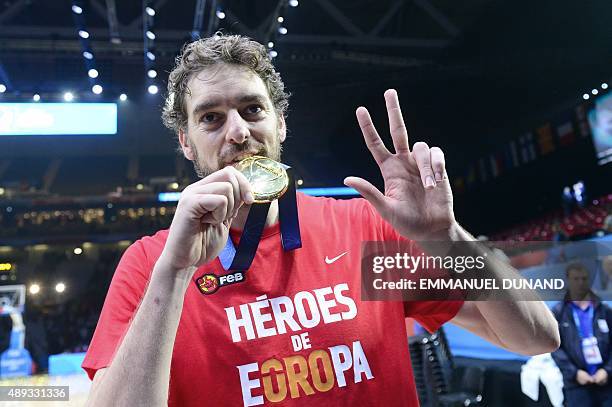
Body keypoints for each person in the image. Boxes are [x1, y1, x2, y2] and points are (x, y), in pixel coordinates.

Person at [83, 34, 559, 406]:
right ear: (186, 142)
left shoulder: (365, 231)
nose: (239, 132)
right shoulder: (151, 264)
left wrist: (448, 238)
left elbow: (536, 337)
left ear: (281, 124)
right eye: (210, 118)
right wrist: (175, 272)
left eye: (253, 110)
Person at [551, 262, 612, 406]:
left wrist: (607, 370)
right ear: (568, 280)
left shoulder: (604, 310)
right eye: (576, 279)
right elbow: (555, 348)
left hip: (606, 381)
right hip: (576, 384)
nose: (580, 283)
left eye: (584, 279)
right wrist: (575, 373)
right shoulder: (559, 313)